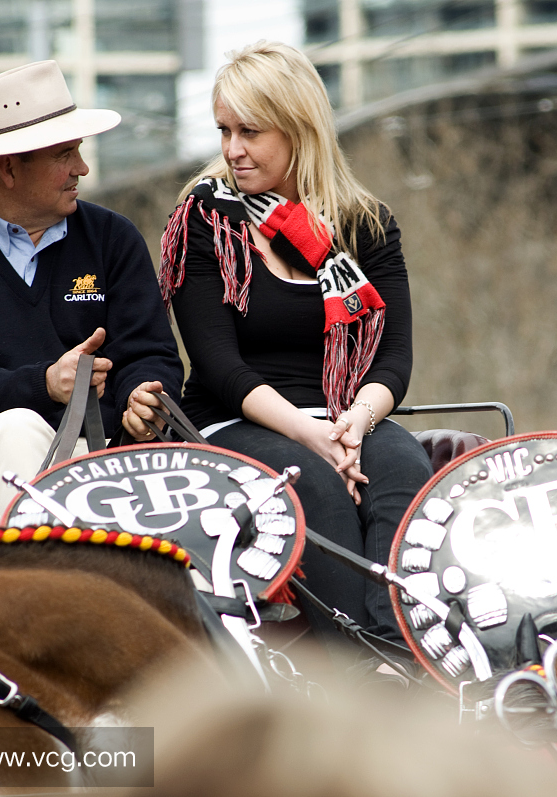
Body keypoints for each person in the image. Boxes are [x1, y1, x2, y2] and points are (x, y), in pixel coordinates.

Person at [159, 41, 433, 649]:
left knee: (403, 473)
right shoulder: (204, 219)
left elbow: (394, 359)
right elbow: (218, 365)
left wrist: (355, 426)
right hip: (236, 419)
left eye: (250, 132)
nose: (233, 150)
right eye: (225, 130)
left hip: (343, 416)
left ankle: (399, 664)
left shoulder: (365, 223)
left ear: (299, 129)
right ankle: (360, 670)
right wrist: (313, 436)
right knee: (311, 484)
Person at [0, 61, 182, 527]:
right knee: (16, 428)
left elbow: (152, 353)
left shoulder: (114, 238)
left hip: (112, 463)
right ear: (8, 168)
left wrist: (143, 399)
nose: (81, 168)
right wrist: (45, 384)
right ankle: (68, 584)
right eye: (64, 155)